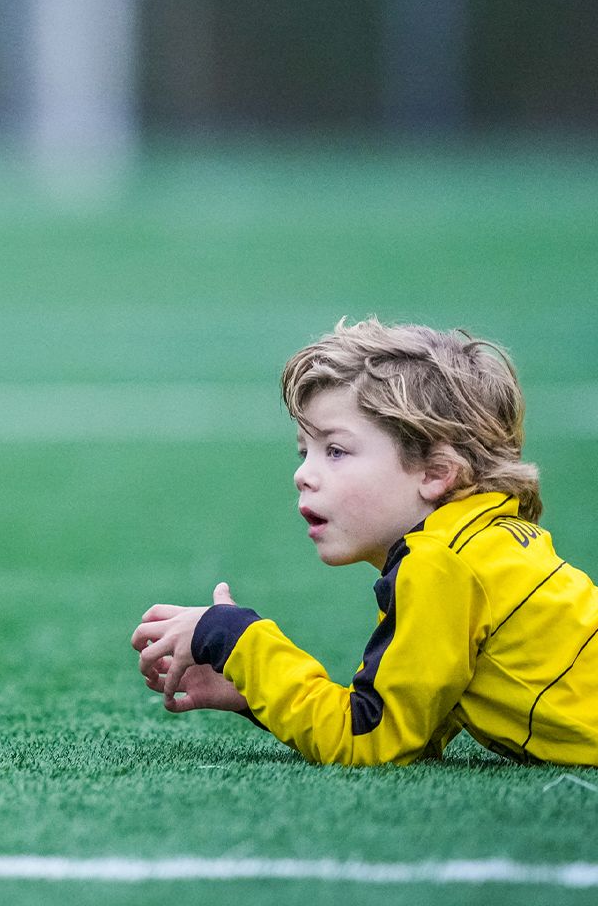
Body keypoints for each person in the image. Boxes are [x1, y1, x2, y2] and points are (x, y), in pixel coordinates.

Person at [131, 318, 598, 766]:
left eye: (335, 450)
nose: (302, 474)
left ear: (436, 472)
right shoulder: (477, 542)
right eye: (305, 452)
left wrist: (235, 638)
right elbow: (414, 726)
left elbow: (372, 738)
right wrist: (254, 688)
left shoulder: (438, 564)